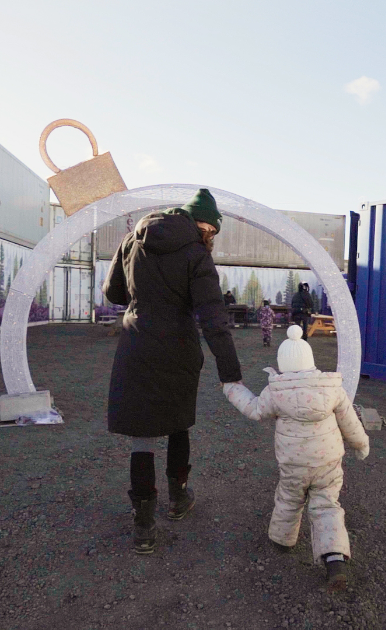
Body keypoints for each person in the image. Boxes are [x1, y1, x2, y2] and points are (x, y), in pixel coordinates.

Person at [103, 188, 243, 555]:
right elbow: (212, 318)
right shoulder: (197, 254)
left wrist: (143, 297)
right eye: (211, 230)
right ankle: (178, 499)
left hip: (136, 344)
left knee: (142, 436)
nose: (210, 237)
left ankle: (143, 525)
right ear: (203, 224)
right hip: (177, 349)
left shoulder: (134, 238)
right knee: (178, 422)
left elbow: (113, 292)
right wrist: (230, 372)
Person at [222, 325, 370, 591]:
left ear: (282, 365)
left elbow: (254, 409)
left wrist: (231, 388)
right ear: (310, 360)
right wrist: (361, 445)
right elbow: (350, 423)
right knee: (326, 505)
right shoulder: (332, 387)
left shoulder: (276, 392)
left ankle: (282, 540)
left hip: (293, 464)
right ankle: (334, 558)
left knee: (289, 498)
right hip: (327, 462)